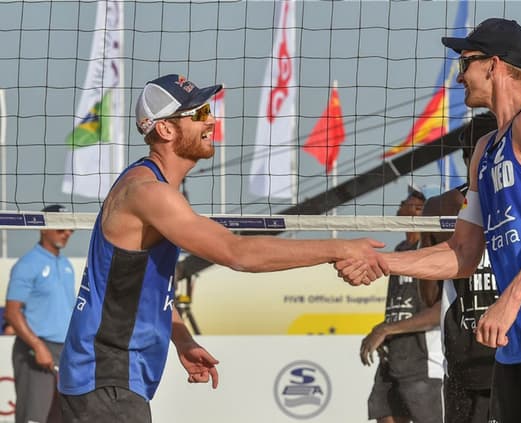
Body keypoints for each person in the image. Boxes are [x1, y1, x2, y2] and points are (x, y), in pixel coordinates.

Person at [57, 73, 388, 422]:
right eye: (198, 114)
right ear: (166, 130)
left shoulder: (148, 183)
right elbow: (238, 254)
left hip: (107, 374)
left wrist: (182, 338)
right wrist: (339, 249)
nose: (211, 120)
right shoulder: (149, 193)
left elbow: (139, 287)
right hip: (106, 374)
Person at [337, 18, 521, 422]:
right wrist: (383, 262)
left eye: (464, 63)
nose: (458, 77)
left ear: (493, 64)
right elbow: (463, 253)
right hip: (516, 345)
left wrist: (508, 300)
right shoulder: (486, 150)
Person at [422, 118, 498, 423]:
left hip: (462, 353)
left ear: (467, 157)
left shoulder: (438, 207)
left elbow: (428, 295)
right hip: (515, 352)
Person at [360, 188, 443, 423]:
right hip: (394, 356)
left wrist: (386, 329)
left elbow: (437, 312)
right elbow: (400, 307)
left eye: (407, 202)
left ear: (419, 212)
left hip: (423, 362)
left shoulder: (430, 252)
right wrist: (386, 331)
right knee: (384, 413)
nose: (399, 206)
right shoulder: (400, 252)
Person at [4, 204, 76, 423]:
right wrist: (37, 346)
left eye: (70, 229)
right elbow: (12, 313)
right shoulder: (27, 264)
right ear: (44, 228)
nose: (67, 233)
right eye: (61, 228)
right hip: (36, 350)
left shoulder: (66, 264)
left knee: (62, 417)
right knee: (34, 418)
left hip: (65, 352)